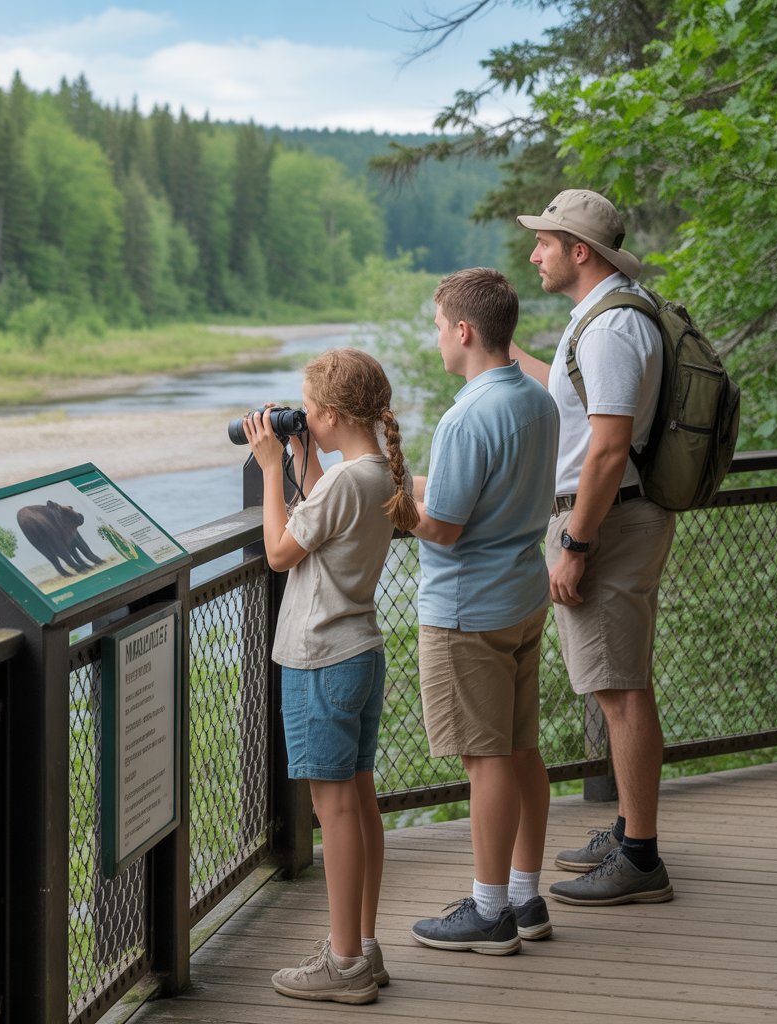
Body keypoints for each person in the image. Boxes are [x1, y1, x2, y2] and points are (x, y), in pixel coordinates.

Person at [512, 188, 676, 906]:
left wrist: (576, 542)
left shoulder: (611, 329)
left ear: (581, 251)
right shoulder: (602, 320)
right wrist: (502, 353)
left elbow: (608, 449)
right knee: (620, 682)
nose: (533, 252)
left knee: (619, 690)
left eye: (544, 241)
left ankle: (640, 858)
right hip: (610, 517)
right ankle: (628, 830)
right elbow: (577, 406)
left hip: (605, 522)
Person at [243, 347, 419, 1005]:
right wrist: (295, 453)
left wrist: (267, 470)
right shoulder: (371, 472)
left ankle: (342, 963)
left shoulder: (349, 481)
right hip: (360, 652)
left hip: (321, 658)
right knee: (360, 804)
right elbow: (321, 499)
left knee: (335, 810)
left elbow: (280, 551)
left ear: (334, 414)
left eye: (309, 412)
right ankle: (363, 948)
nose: (304, 420)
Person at [409, 267, 560, 956]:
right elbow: (490, 494)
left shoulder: (465, 414)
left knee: (486, 759)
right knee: (522, 749)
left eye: (439, 326)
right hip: (522, 595)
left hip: (467, 609)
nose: (437, 339)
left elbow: (441, 526)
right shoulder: (536, 400)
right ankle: (527, 899)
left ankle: (489, 910)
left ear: (464, 331)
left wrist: (391, 502)